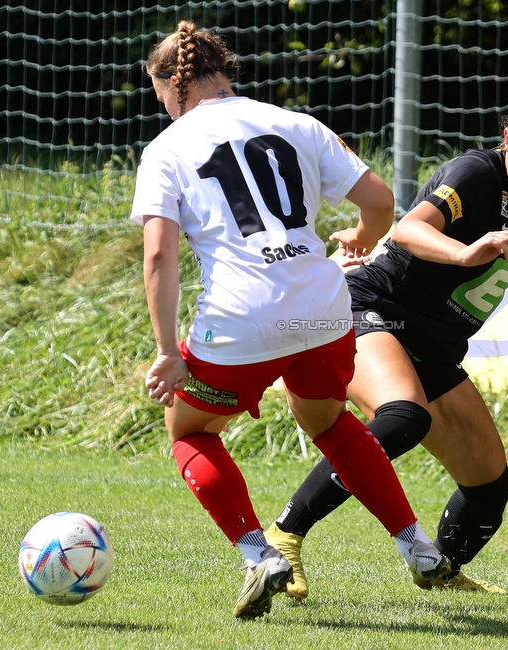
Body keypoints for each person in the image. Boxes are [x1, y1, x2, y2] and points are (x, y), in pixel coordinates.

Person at [129, 21, 450, 620]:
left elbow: (158, 254)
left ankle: (260, 553)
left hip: (241, 321)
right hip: (324, 310)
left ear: (173, 88)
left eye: (158, 97)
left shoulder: (166, 149)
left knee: (189, 432)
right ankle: (419, 547)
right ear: (222, 73)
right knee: (329, 422)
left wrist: (167, 350)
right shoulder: (296, 124)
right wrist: (359, 238)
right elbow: (380, 203)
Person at [266, 86, 508, 598]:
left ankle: (441, 571)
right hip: (371, 308)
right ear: (506, 139)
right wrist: (462, 254)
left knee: (490, 484)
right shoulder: (476, 173)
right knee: (404, 416)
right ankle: (286, 534)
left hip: (430, 343)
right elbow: (409, 230)